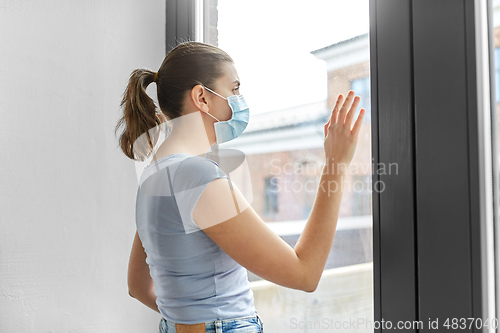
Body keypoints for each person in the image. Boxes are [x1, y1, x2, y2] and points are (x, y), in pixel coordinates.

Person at [116, 41, 365, 333]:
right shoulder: (198, 177)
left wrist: (188, 318)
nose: (239, 99)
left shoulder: (154, 175)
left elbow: (138, 286)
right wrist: (336, 164)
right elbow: (304, 274)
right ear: (202, 98)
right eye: (234, 89)